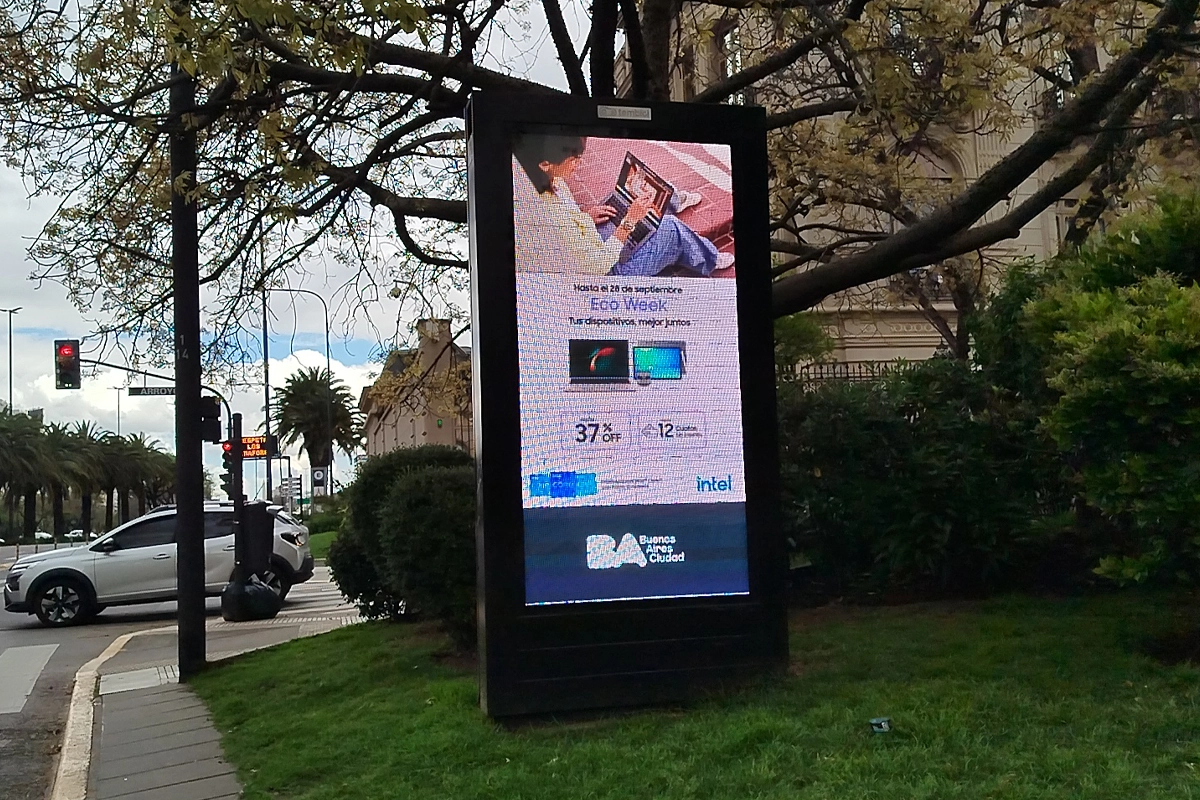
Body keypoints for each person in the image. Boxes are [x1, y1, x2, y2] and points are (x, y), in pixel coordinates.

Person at [512, 135, 732, 277]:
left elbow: (568, 224)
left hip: (587, 242)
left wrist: (586, 217)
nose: (578, 164)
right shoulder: (549, 217)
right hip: (606, 275)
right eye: (573, 160)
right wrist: (628, 223)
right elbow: (598, 266)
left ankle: (672, 201)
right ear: (545, 164)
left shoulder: (547, 179)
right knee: (671, 229)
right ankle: (709, 259)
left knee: (626, 197)